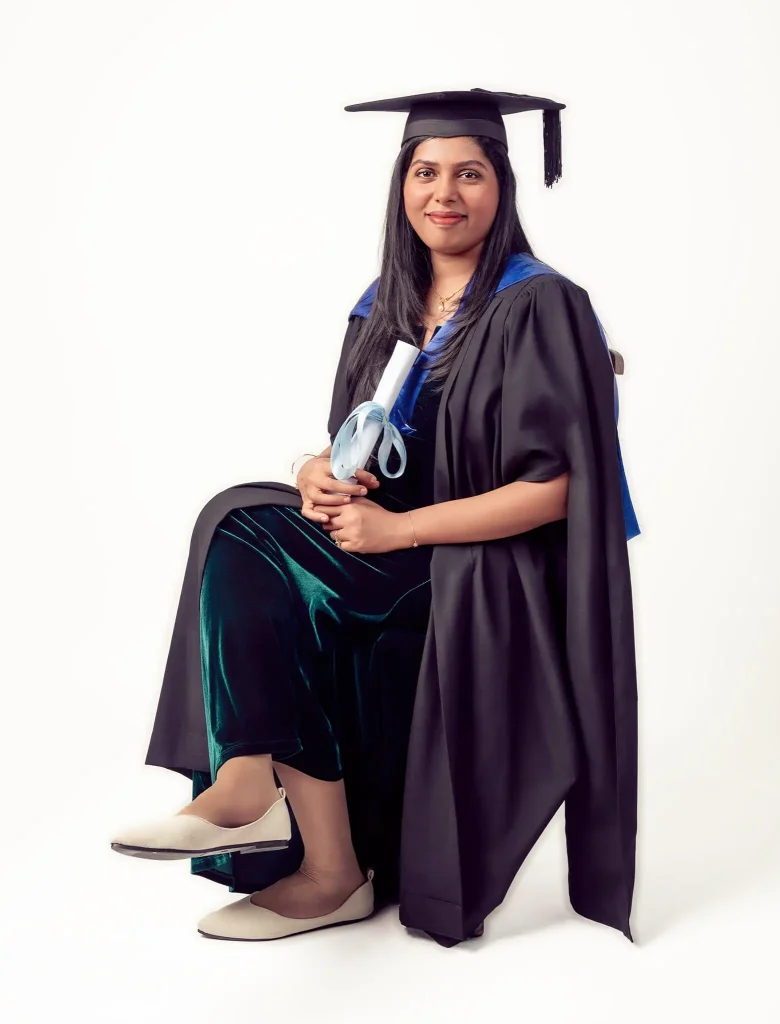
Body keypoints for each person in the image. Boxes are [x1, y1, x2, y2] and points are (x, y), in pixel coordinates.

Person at [110, 88, 641, 947]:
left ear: (503, 186)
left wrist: (400, 530)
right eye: (426, 171)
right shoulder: (383, 301)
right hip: (384, 549)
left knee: (248, 535)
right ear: (402, 186)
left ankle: (268, 809)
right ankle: (308, 846)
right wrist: (319, 473)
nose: (446, 192)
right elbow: (352, 445)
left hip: (482, 564)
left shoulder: (540, 303)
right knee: (240, 520)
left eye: (469, 173)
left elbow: (565, 489)